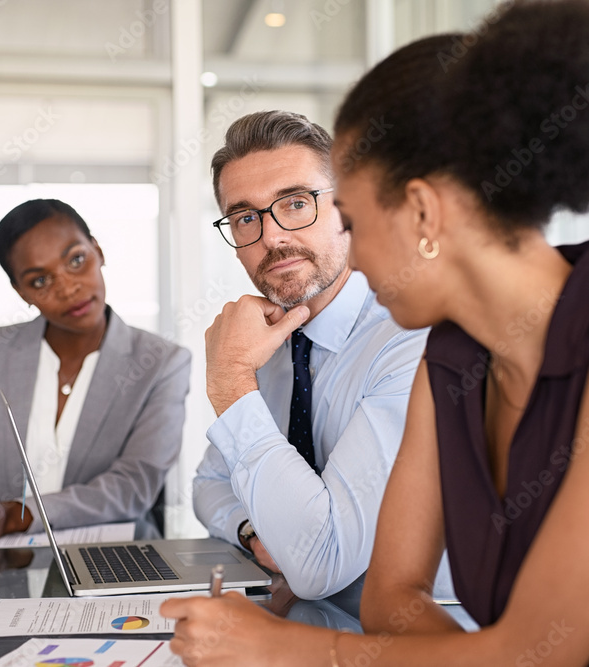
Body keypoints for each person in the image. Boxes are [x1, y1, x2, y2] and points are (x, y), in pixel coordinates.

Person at [162, 1, 589, 665]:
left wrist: (285, 647)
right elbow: (391, 600)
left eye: (355, 222)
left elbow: (535, 652)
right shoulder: (449, 361)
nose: (352, 259)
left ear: (421, 210)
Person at [192, 110, 430, 602]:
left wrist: (232, 380)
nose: (272, 237)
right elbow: (209, 483)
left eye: (296, 203)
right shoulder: (269, 338)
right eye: (245, 217)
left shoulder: (410, 339)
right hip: (298, 622)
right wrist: (254, 533)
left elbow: (321, 562)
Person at [0, 199, 190, 544]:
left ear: (97, 250)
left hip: (108, 562)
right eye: (40, 280)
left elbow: (133, 485)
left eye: (76, 260)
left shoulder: (161, 363)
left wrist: (16, 515)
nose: (68, 287)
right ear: (21, 291)